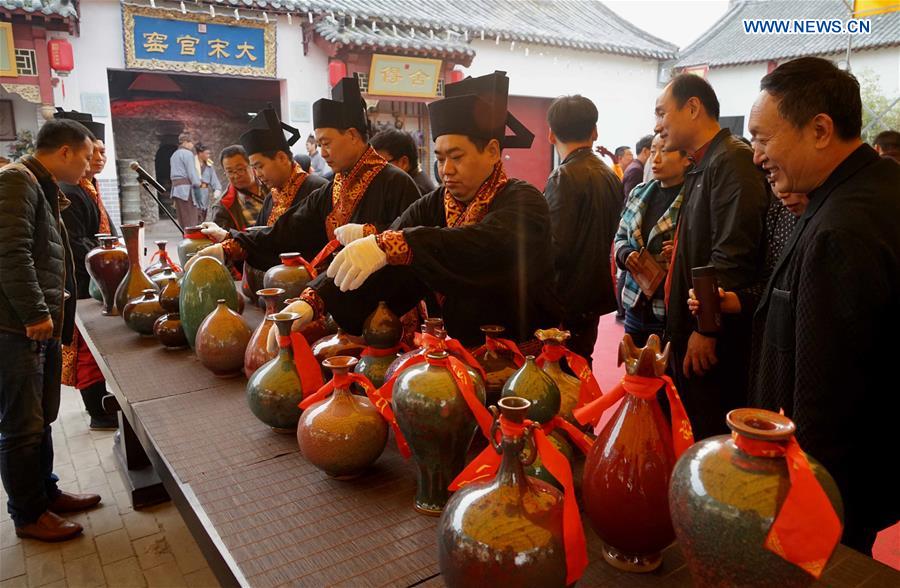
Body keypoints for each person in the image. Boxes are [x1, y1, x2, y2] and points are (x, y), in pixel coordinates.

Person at [283, 71, 560, 348]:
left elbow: (482, 246)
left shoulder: (525, 201)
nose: (446, 170)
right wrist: (315, 300)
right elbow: (388, 253)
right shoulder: (435, 203)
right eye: (440, 158)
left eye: (456, 157)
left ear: (492, 151)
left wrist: (393, 244)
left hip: (525, 358)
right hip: (453, 354)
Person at [747, 56, 900, 553]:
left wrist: (802, 505)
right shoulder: (875, 187)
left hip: (829, 486)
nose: (756, 157)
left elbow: (826, 394)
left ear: (819, 130)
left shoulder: (843, 227)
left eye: (763, 140)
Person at [194, 79, 419, 275]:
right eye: (319, 145)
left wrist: (370, 233)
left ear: (352, 135)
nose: (322, 153)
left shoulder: (396, 182)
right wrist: (230, 244)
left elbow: (415, 241)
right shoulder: (333, 188)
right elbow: (285, 231)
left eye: (326, 143)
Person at [0, 118, 102, 542]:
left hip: (33, 324)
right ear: (65, 151)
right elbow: (11, 254)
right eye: (85, 156)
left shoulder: (40, 184)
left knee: (40, 417)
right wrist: (35, 313)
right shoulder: (16, 181)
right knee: (22, 424)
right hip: (14, 327)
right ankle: (28, 515)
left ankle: (46, 493)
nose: (88, 166)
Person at [654, 73, 769, 440]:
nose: (657, 125)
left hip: (712, 334)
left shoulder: (732, 159)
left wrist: (706, 328)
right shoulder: (704, 163)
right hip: (689, 324)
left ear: (692, 107)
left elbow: (733, 252)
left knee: (707, 435)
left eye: (662, 113)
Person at [543, 95, 622, 362]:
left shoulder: (563, 176)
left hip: (564, 298)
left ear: (551, 134)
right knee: (582, 363)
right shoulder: (609, 175)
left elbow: (554, 247)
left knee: (561, 370)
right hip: (593, 293)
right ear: (594, 132)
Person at [54, 109, 118, 431]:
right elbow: (76, 243)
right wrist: (111, 254)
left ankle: (100, 404)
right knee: (85, 350)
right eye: (94, 153)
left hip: (95, 278)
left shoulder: (89, 186)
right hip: (80, 281)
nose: (100, 158)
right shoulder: (70, 191)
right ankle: (97, 412)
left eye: (104, 152)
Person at [199, 106, 328, 249]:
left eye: (260, 166)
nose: (258, 174)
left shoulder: (318, 189)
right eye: (254, 168)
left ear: (282, 158)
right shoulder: (270, 199)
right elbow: (259, 244)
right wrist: (226, 240)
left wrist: (229, 237)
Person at [615, 134, 690, 346]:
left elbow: (703, 251)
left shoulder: (693, 199)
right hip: (634, 304)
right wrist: (625, 253)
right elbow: (620, 235)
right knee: (633, 365)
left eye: (664, 151)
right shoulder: (639, 192)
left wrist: (679, 252)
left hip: (668, 310)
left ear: (687, 158)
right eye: (653, 151)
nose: (655, 159)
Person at [206, 145, 267, 233]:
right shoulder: (222, 208)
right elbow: (223, 238)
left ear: (252, 165)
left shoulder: (271, 182)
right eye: (230, 172)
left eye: (240, 169)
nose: (236, 176)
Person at [370, 128, 437, 195]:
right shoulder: (410, 181)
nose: (374, 172)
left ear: (403, 163)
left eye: (380, 165)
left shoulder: (413, 190)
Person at [169, 133, 204, 228]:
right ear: (185, 142)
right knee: (190, 217)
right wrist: (198, 184)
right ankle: (190, 236)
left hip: (177, 190)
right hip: (186, 191)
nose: (192, 145)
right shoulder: (188, 154)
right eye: (191, 143)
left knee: (183, 218)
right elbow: (191, 172)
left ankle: (185, 235)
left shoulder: (174, 155)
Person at [193, 143, 221, 216]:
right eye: (207, 153)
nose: (208, 155)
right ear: (200, 153)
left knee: (203, 215)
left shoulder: (209, 166)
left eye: (209, 153)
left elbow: (214, 180)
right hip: (193, 194)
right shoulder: (191, 163)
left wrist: (217, 191)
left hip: (204, 194)